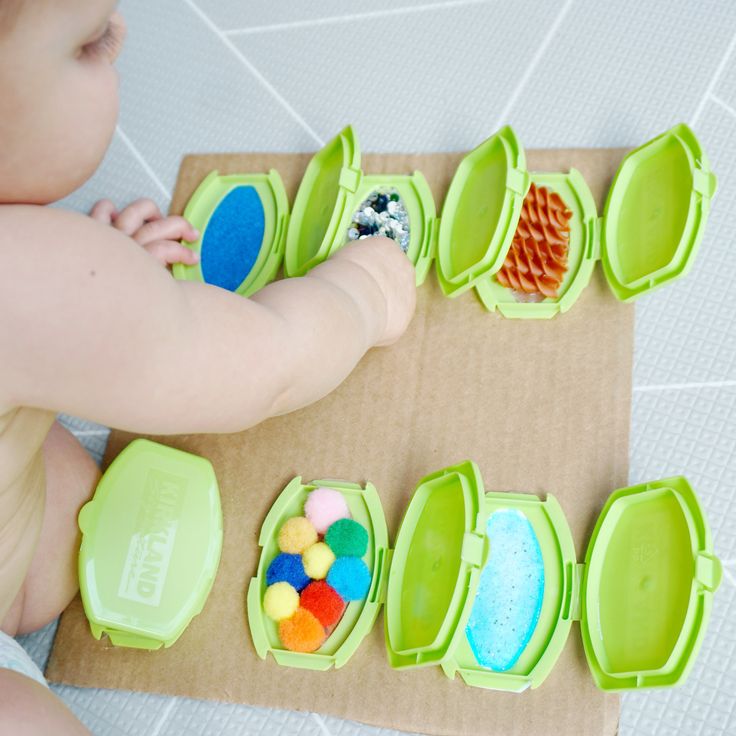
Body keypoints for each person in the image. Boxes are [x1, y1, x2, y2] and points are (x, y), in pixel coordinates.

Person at [0, 1, 416, 732]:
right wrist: (362, 294)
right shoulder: (25, 286)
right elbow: (263, 369)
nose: (121, 34)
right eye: (92, 41)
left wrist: (99, 285)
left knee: (64, 504)